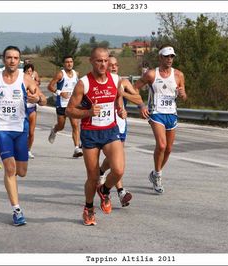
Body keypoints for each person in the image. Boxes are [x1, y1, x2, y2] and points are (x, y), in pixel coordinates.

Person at [0, 45, 41, 226]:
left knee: (21, 172)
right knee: (10, 169)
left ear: (19, 60)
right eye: (8, 57)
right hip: (3, 128)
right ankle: (17, 210)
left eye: (15, 58)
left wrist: (37, 99)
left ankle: (16, 203)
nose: (12, 61)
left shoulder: (26, 78)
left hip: (21, 130)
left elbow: (42, 98)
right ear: (3, 59)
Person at [65, 47, 127, 226]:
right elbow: (69, 110)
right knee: (92, 177)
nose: (103, 64)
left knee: (118, 170)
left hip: (110, 130)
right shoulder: (83, 83)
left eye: (106, 60)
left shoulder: (116, 80)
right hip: (90, 133)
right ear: (91, 61)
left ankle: (105, 190)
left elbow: (118, 99)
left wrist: (120, 110)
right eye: (99, 61)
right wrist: (89, 112)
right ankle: (89, 208)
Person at [133, 45, 187, 194]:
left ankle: (155, 173)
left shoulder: (178, 75)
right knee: (161, 145)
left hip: (171, 114)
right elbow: (134, 88)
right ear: (160, 58)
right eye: (166, 56)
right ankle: (158, 176)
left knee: (168, 149)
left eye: (172, 56)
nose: (170, 59)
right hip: (156, 113)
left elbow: (184, 96)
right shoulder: (151, 74)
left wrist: (183, 95)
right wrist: (141, 105)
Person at [98, 55, 145, 207]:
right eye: (110, 64)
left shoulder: (122, 82)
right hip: (105, 126)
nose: (113, 67)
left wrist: (122, 93)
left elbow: (138, 98)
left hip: (121, 125)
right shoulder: (99, 82)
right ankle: (121, 191)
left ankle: (101, 171)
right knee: (116, 159)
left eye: (116, 65)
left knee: (114, 159)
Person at [47, 55, 82, 158]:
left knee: (75, 125)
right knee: (61, 126)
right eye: (67, 62)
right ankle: (54, 130)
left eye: (71, 62)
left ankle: (76, 148)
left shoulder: (76, 74)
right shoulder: (60, 74)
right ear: (64, 64)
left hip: (73, 104)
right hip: (62, 104)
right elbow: (50, 86)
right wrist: (60, 93)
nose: (69, 64)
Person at [23, 63, 47, 159]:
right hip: (22, 110)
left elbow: (43, 99)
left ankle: (28, 150)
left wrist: (38, 99)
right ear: (24, 72)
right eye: (27, 71)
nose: (29, 73)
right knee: (23, 132)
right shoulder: (21, 82)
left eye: (30, 72)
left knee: (31, 133)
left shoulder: (34, 85)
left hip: (32, 109)